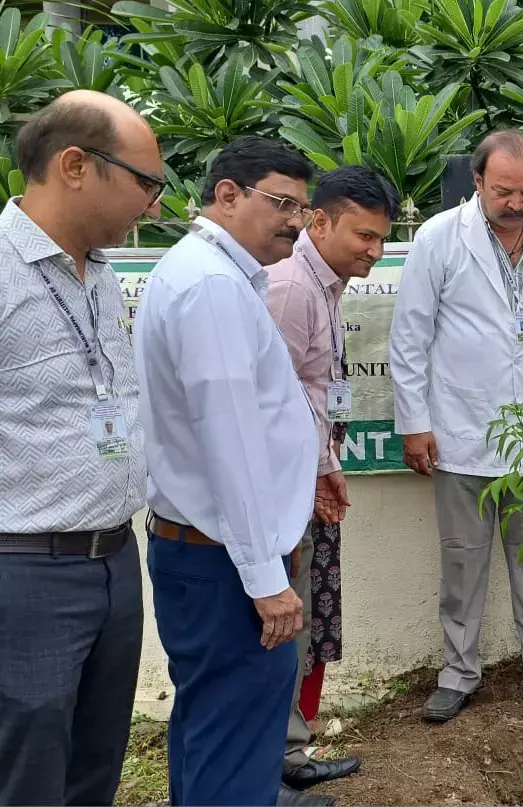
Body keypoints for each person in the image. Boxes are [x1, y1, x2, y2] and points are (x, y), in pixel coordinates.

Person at [135, 135, 331, 807]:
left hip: (210, 555)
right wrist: (266, 580)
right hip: (226, 565)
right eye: (281, 203)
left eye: (302, 209)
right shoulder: (213, 286)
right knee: (236, 747)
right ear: (226, 194)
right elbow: (231, 443)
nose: (295, 222)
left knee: (214, 733)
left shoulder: (212, 274)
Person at [389, 129, 523, 724]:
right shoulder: (439, 239)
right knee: (462, 563)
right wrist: (416, 423)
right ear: (477, 183)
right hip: (461, 430)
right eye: (504, 190)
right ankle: (458, 673)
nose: (518, 203)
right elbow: (409, 338)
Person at [0, 90, 163, 806]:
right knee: (27, 773)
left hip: (112, 562)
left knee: (94, 765)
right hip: (25, 571)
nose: (153, 205)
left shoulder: (97, 275)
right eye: (144, 183)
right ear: (75, 165)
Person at [266, 165, 399, 791]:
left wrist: (328, 467)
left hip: (311, 484)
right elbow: (279, 398)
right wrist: (316, 472)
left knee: (305, 625)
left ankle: (288, 752)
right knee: (283, 627)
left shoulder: (328, 285)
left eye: (380, 240)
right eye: (362, 236)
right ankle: (276, 762)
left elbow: (316, 394)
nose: (372, 251)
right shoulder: (293, 288)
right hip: (287, 493)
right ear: (319, 221)